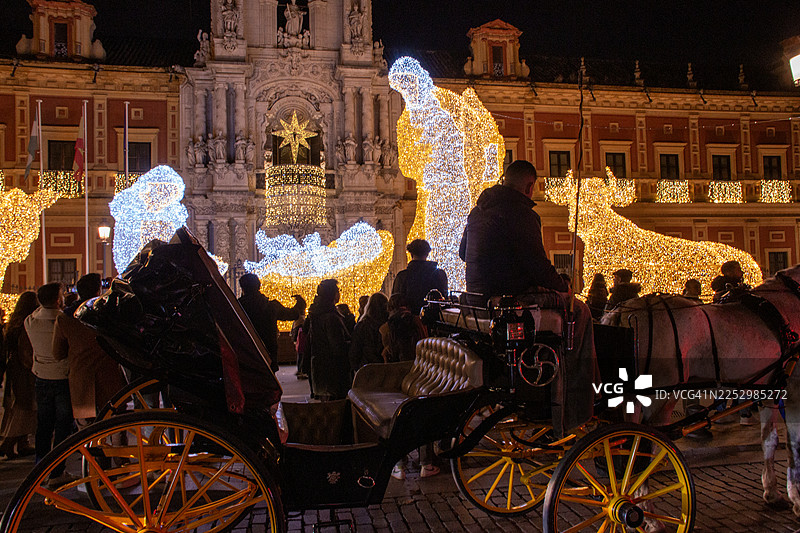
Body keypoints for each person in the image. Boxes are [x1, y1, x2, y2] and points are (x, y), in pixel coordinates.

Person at [458, 160, 596, 436]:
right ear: (529, 186)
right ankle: (576, 394)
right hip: (509, 298)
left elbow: (463, 253)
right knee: (580, 311)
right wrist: (563, 287)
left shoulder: (477, 211)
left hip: (477, 298)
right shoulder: (521, 213)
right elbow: (538, 266)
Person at [52, 274, 125, 430]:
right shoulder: (110, 314)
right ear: (98, 290)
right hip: (109, 377)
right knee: (115, 427)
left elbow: (58, 353)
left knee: (86, 431)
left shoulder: (65, 319)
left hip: (81, 380)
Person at [25, 282, 74, 486]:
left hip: (41, 377)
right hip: (62, 377)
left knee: (44, 426)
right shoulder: (63, 321)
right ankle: (57, 471)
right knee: (63, 426)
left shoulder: (30, 321)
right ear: (57, 300)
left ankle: (41, 468)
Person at [237, 273, 305, 372]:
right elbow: (292, 314)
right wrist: (300, 303)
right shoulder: (270, 306)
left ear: (243, 288)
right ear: (259, 286)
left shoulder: (238, 307)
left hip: (245, 354)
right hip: (268, 353)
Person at [0, 292, 38, 459]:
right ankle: (8, 443)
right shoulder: (26, 324)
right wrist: (33, 367)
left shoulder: (14, 324)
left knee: (22, 406)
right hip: (24, 371)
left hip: (15, 369)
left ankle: (23, 443)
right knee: (23, 407)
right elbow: (25, 351)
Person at [305, 279, 351, 400]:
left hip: (321, 370)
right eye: (338, 291)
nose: (339, 293)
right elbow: (337, 346)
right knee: (336, 405)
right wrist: (352, 344)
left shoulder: (318, 313)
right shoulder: (330, 317)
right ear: (332, 294)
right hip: (333, 371)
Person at [392, 239, 448, 316]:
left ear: (411, 254)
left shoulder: (402, 276)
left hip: (409, 320)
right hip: (435, 319)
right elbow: (444, 299)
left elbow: (395, 303)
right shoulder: (439, 274)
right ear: (427, 254)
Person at [348, 293, 389, 373]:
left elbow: (355, 350)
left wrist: (357, 367)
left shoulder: (362, 325)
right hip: (386, 367)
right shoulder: (388, 324)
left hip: (367, 368)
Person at [380, 294, 427, 363]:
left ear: (389, 308)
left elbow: (389, 350)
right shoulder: (418, 320)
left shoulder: (385, 328)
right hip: (420, 359)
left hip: (398, 363)